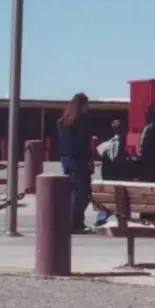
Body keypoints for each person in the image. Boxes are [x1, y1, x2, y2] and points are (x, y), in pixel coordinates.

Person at [57, 93, 94, 232]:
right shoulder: (81, 120)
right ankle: (76, 222)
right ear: (82, 104)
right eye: (87, 104)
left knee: (74, 191)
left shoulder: (64, 121)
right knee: (82, 192)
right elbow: (83, 142)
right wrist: (88, 159)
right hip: (79, 160)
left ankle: (72, 221)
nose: (88, 107)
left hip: (66, 158)